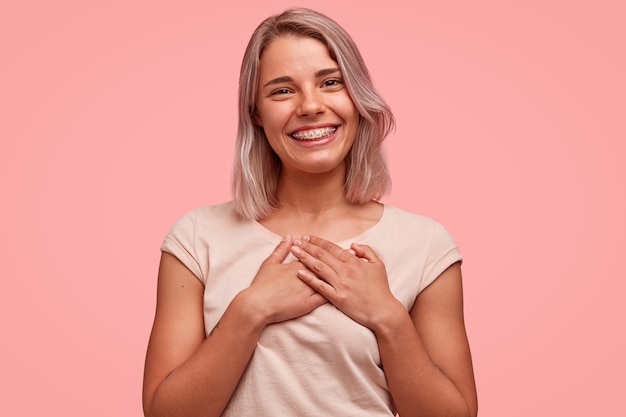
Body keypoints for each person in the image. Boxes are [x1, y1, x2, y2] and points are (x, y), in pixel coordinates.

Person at [142, 7, 477, 417]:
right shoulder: (196, 239)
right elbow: (165, 413)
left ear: (357, 96)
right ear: (256, 114)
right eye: (282, 91)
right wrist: (250, 310)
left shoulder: (426, 245)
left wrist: (387, 317)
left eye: (331, 83)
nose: (310, 105)